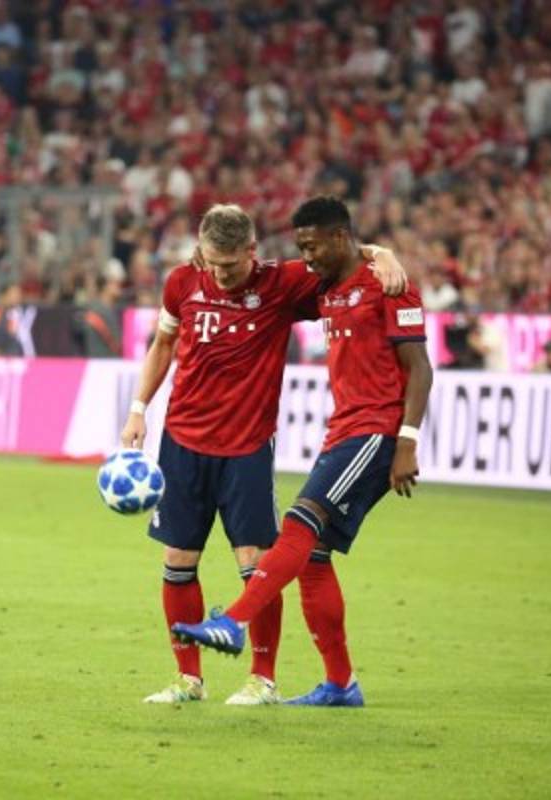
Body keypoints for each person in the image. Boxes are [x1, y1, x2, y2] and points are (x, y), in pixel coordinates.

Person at [122, 203, 408, 705]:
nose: (222, 274)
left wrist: (379, 252)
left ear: (252, 251)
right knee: (178, 559)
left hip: (247, 446)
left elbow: (338, 258)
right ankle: (189, 679)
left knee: (256, 562)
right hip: (182, 441)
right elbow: (163, 345)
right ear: (201, 251)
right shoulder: (181, 282)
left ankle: (262, 679)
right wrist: (138, 408)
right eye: (214, 263)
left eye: (232, 264)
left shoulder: (284, 283)